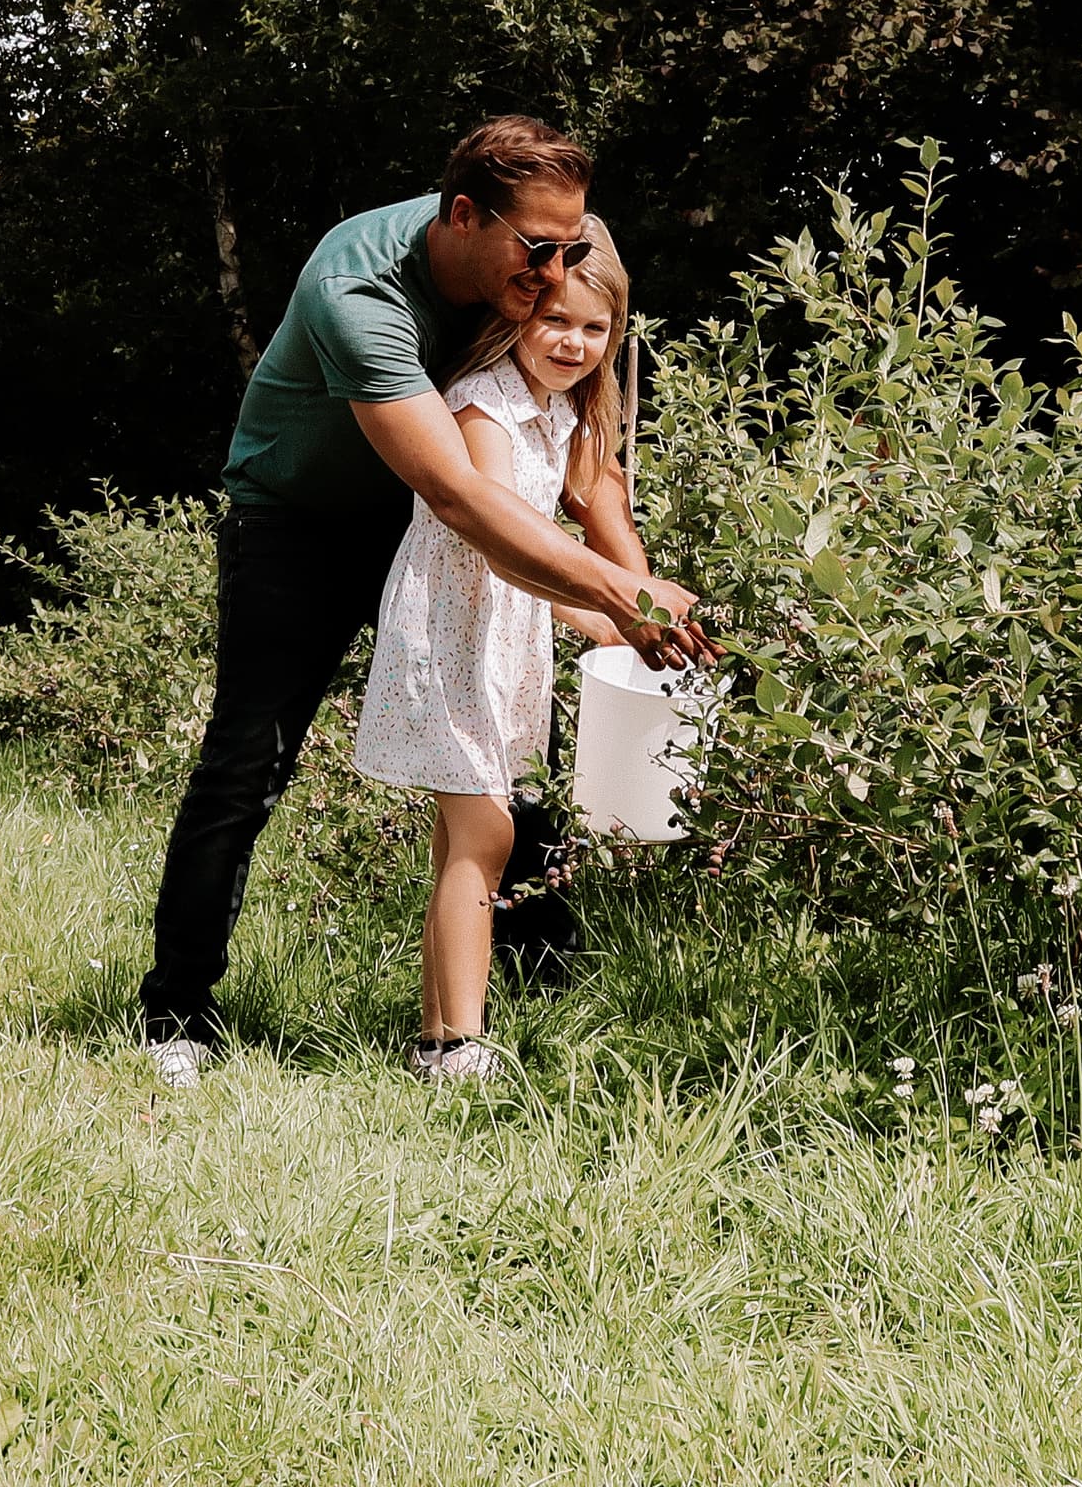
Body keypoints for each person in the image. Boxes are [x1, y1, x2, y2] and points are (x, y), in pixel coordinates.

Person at [134, 115, 715, 1086]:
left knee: (514, 762)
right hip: (306, 524)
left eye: (572, 249)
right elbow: (462, 494)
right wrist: (623, 595)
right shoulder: (357, 288)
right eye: (541, 252)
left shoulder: (537, 263)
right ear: (462, 217)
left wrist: (639, 614)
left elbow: (587, 463)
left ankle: (531, 989)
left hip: (437, 533)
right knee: (248, 762)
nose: (557, 271)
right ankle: (177, 1015)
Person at [350, 225, 688, 1083]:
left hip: (509, 642)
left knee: (463, 839)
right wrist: (613, 617)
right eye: (557, 322)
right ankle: (454, 1045)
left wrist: (637, 615)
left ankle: (433, 1031)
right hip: (451, 637)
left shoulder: (567, 411)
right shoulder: (481, 402)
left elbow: (595, 512)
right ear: (521, 313)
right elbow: (502, 547)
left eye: (595, 330)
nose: (574, 344)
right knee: (486, 834)